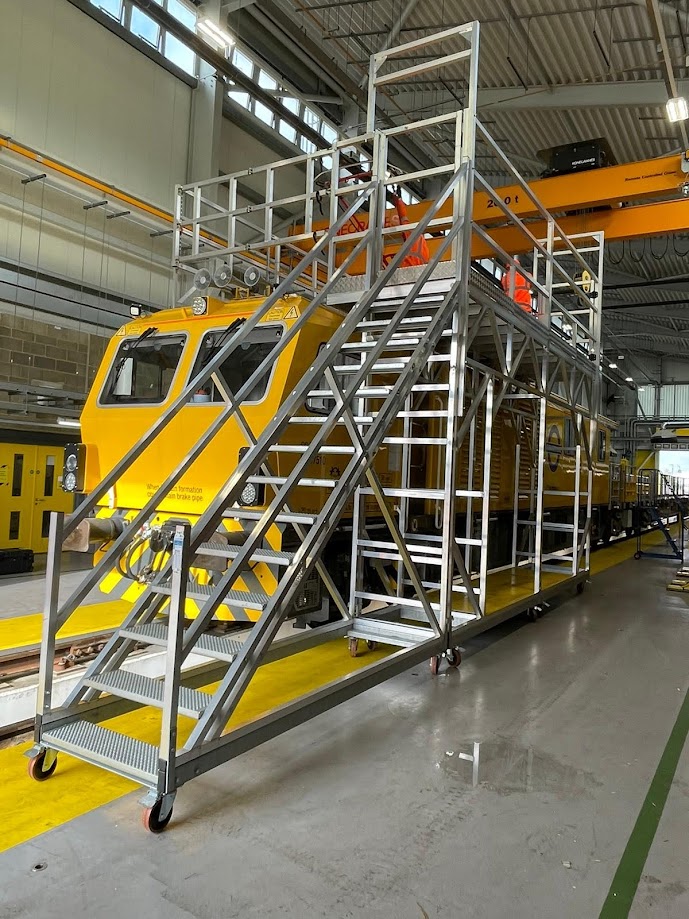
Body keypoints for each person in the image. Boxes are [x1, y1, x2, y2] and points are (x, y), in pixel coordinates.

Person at [382, 190, 430, 268]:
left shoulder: (411, 234)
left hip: (410, 267)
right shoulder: (418, 240)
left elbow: (403, 218)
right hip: (418, 269)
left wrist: (399, 201)